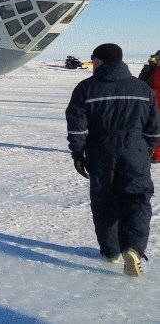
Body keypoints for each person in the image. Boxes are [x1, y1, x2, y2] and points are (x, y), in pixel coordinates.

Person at [65, 43, 160, 277]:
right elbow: (154, 127)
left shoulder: (86, 88)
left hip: (101, 151)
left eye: (93, 59)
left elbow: (77, 126)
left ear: (99, 61)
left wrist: (78, 153)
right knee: (137, 198)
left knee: (104, 201)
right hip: (135, 150)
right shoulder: (141, 87)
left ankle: (111, 252)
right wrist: (144, 150)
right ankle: (134, 248)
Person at [139, 50, 160, 163]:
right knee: (153, 128)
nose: (157, 61)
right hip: (154, 104)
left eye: (159, 59)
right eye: (156, 59)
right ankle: (155, 155)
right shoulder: (153, 71)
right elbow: (142, 83)